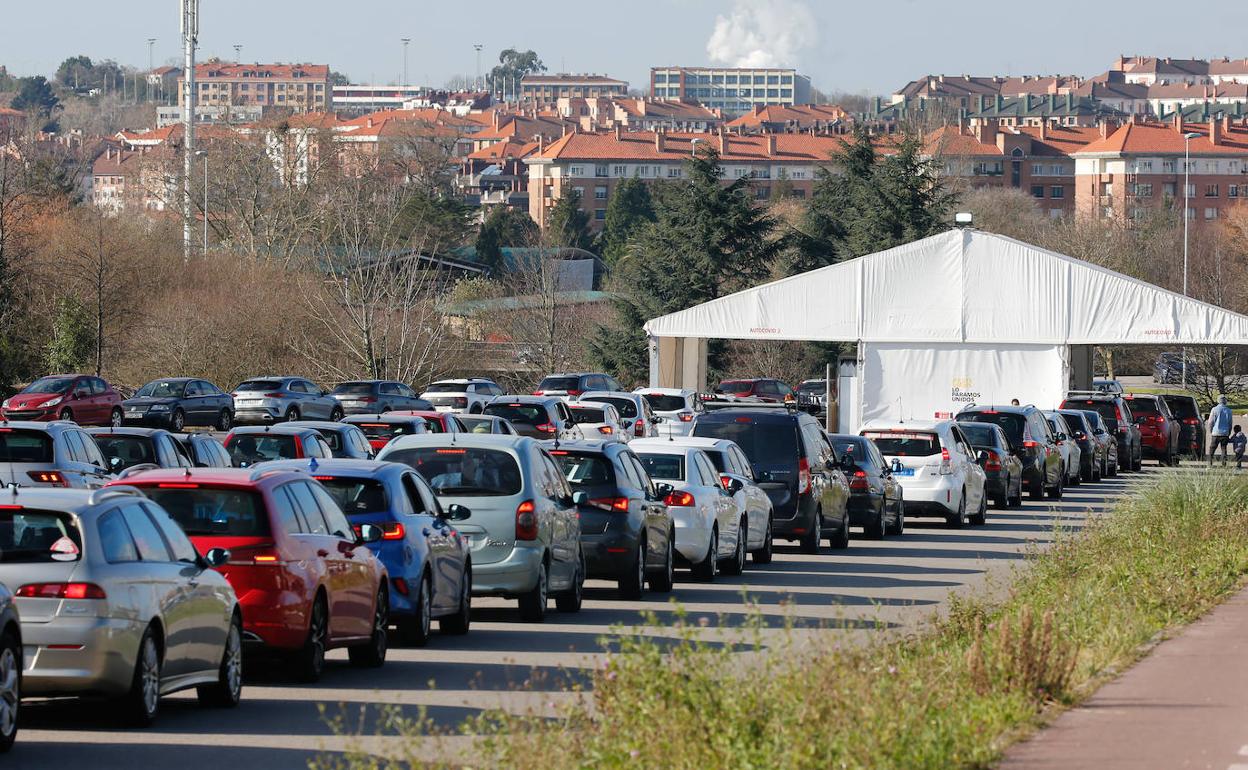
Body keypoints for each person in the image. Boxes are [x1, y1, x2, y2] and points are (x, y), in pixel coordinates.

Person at [1208, 395, 1234, 466]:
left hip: (1216, 433)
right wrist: (1229, 432)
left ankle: (1209, 464)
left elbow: (1211, 422)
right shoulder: (1229, 410)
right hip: (1225, 433)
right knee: (1224, 449)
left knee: (1212, 449)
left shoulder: (1214, 409)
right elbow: (1230, 423)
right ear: (1225, 401)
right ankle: (1223, 464)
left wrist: (1211, 431)